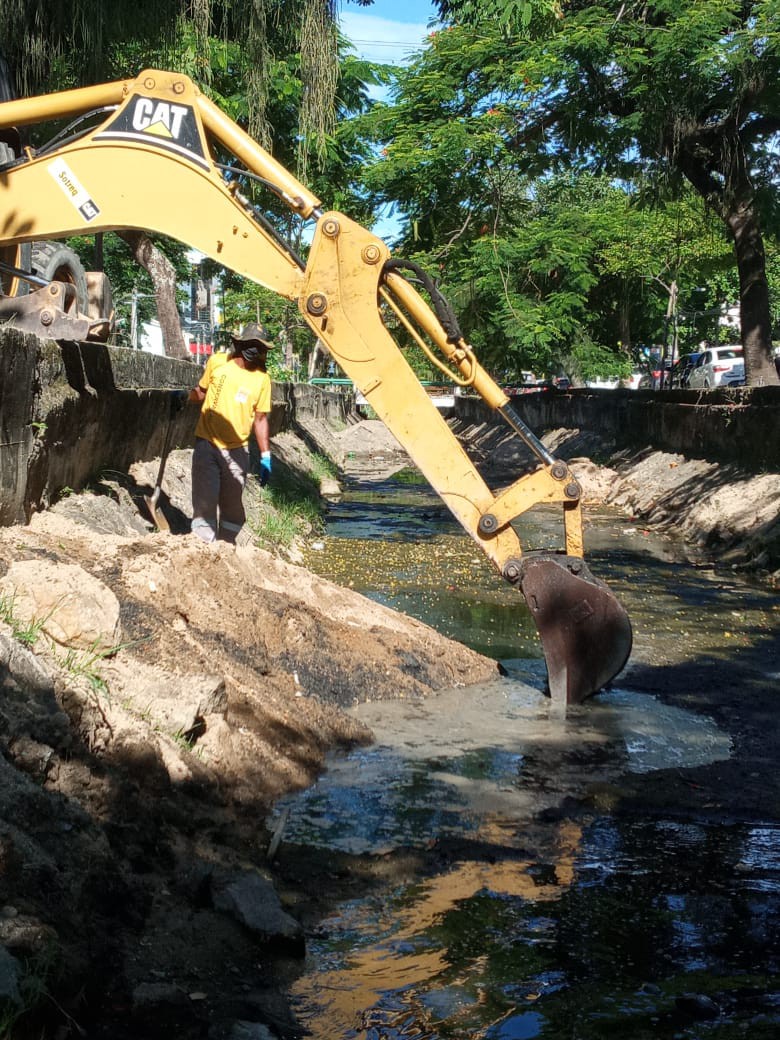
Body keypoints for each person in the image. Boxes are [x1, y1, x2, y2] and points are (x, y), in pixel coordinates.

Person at [188, 322, 273, 544]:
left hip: (238, 451)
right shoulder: (218, 362)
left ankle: (227, 547)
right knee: (205, 502)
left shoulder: (262, 379)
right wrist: (183, 396)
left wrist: (266, 456)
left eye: (259, 346)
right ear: (239, 343)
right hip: (207, 444)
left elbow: (261, 418)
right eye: (251, 344)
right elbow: (202, 392)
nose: (255, 350)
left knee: (232, 505)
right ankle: (203, 548)